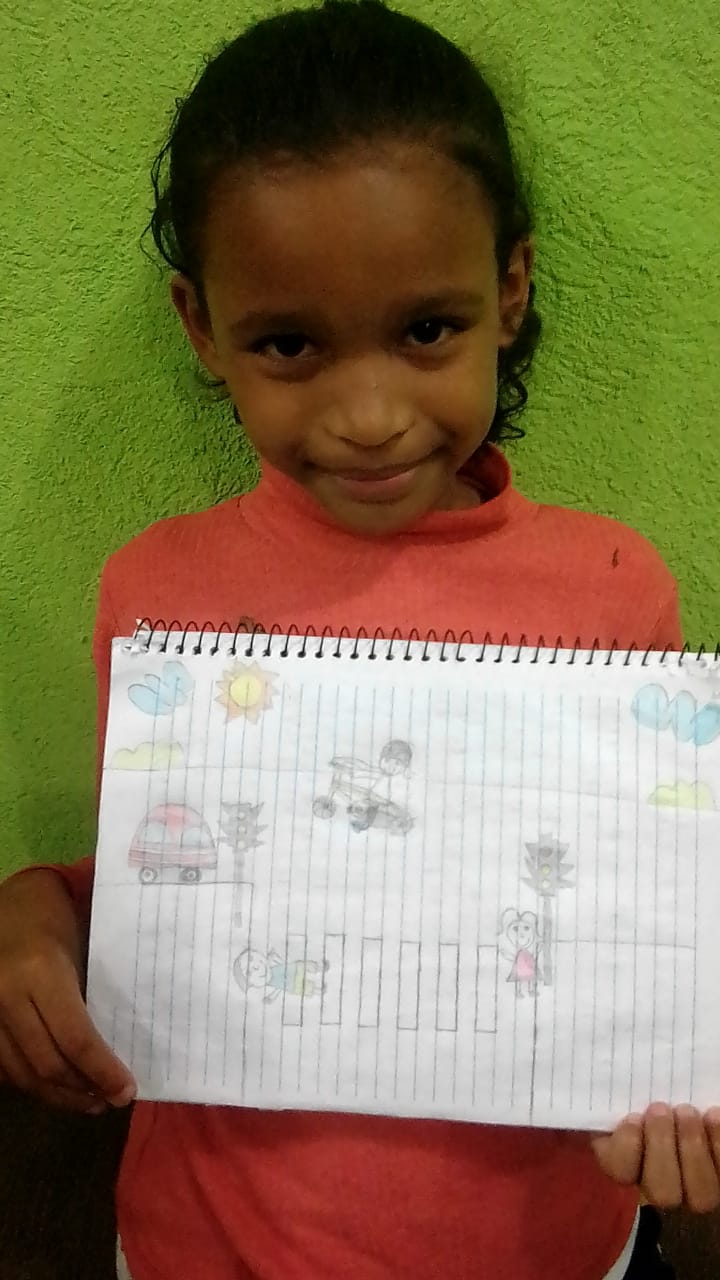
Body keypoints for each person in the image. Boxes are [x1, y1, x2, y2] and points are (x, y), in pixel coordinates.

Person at [0, 2, 716, 1276]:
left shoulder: (615, 592)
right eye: (291, 344)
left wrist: (682, 1062)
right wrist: (36, 908)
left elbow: (635, 920)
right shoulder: (157, 590)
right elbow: (182, 885)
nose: (372, 412)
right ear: (200, 327)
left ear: (510, 289)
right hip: (210, 1242)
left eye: (426, 328)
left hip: (544, 1245)